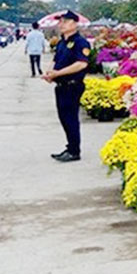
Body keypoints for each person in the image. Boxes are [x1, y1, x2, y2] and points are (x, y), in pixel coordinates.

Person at [42, 11, 91, 162]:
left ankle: (74, 151)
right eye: (60, 22)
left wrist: (58, 73)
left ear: (74, 24)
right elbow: (56, 60)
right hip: (61, 85)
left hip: (72, 85)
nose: (61, 25)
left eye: (65, 22)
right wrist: (50, 73)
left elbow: (81, 64)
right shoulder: (62, 42)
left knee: (70, 118)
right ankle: (70, 147)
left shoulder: (80, 43)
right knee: (64, 118)